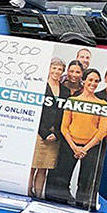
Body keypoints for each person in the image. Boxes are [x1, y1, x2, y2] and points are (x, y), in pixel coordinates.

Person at [49, 68, 107, 207]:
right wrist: (74, 147)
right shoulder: (72, 101)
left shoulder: (102, 105)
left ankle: (81, 206)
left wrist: (85, 149)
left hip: (91, 148)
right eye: (90, 80)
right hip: (70, 145)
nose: (93, 83)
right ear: (84, 81)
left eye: (96, 81)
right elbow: (64, 127)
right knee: (63, 178)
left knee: (85, 181)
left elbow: (102, 131)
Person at [29, 57, 67, 198]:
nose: (57, 71)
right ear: (49, 69)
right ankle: (28, 193)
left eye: (60, 69)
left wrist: (57, 133)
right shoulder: (40, 87)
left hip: (55, 136)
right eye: (54, 68)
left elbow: (64, 115)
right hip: (39, 134)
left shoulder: (65, 91)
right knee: (32, 167)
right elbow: (35, 111)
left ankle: (38, 195)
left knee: (44, 169)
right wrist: (44, 133)